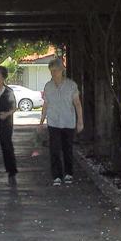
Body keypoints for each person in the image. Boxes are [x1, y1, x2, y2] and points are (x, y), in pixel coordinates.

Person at [39, 57, 83, 185]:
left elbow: (77, 104)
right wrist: (41, 122)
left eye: (56, 70)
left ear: (62, 70)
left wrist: (80, 121)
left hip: (68, 121)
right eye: (51, 71)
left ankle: (68, 173)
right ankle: (56, 176)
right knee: (54, 149)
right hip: (54, 122)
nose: (54, 73)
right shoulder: (48, 86)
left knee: (67, 148)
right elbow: (45, 105)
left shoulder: (71, 85)